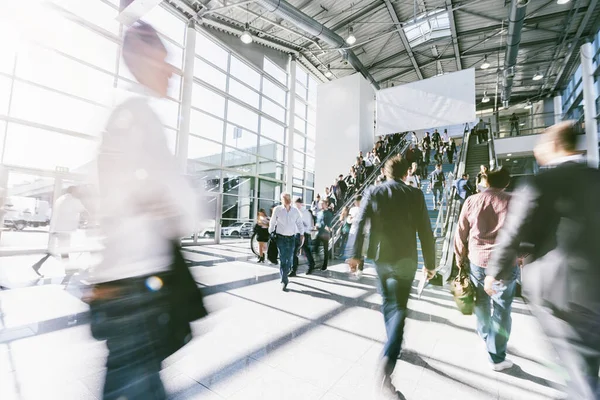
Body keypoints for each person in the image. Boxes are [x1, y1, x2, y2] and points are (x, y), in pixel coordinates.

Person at [88, 21, 204, 400]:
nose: (171, 72)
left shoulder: (120, 115)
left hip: (118, 289)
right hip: (135, 291)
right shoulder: (139, 117)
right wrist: (172, 204)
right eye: (164, 61)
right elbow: (187, 209)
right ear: (144, 60)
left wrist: (160, 204)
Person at [486, 121, 600, 399]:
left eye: (542, 143)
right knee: (588, 364)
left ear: (555, 145)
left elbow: (513, 232)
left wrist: (494, 272)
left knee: (579, 374)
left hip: (563, 294)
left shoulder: (541, 182)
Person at [348, 155, 435, 396]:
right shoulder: (415, 194)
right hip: (407, 258)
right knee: (399, 308)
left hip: (382, 258)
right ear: (407, 173)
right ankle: (388, 361)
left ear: (386, 173)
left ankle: (392, 342)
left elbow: (359, 222)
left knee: (388, 302)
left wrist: (355, 255)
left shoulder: (374, 192)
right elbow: (425, 230)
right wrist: (430, 263)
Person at [454, 167, 515, 371]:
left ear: (487, 182)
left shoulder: (472, 200)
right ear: (506, 183)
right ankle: (496, 356)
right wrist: (522, 256)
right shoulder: (513, 200)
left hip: (477, 261)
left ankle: (485, 336)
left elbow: (461, 231)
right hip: (504, 263)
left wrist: (459, 256)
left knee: (481, 300)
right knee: (502, 308)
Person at [269, 193, 304, 291]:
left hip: (291, 238)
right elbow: (272, 222)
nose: (287, 200)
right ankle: (284, 280)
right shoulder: (277, 209)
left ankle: (285, 274)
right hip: (281, 238)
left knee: (290, 259)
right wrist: (271, 232)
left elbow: (299, 223)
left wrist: (302, 234)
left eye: (288, 198)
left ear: (290, 199)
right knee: (283, 259)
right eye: (285, 198)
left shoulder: (295, 211)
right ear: (282, 200)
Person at [290, 198, 316, 276]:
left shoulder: (306, 213)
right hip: (297, 234)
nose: (295, 206)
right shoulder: (297, 212)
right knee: (296, 252)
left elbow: (307, 225)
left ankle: (295, 269)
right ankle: (294, 269)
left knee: (302, 251)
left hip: (303, 234)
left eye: (296, 204)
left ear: (300, 204)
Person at [314, 199, 333, 271]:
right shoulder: (319, 213)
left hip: (325, 234)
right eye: (320, 204)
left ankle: (324, 265)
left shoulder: (328, 213)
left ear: (326, 204)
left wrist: (323, 226)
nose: (321, 205)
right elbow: (317, 222)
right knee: (315, 249)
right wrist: (316, 226)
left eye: (322, 204)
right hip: (319, 233)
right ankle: (319, 262)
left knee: (325, 250)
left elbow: (327, 225)